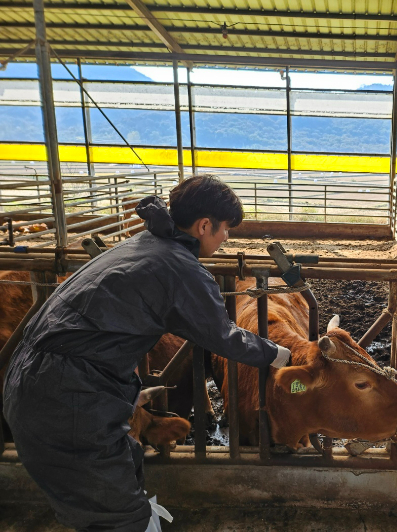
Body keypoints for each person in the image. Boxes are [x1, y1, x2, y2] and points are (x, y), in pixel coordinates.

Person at [3, 175, 291, 532]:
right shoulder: (183, 270)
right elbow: (223, 337)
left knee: (113, 488)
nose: (227, 237)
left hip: (29, 378)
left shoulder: (142, 243)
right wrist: (281, 355)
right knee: (119, 518)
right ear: (204, 226)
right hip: (68, 399)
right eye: (226, 229)